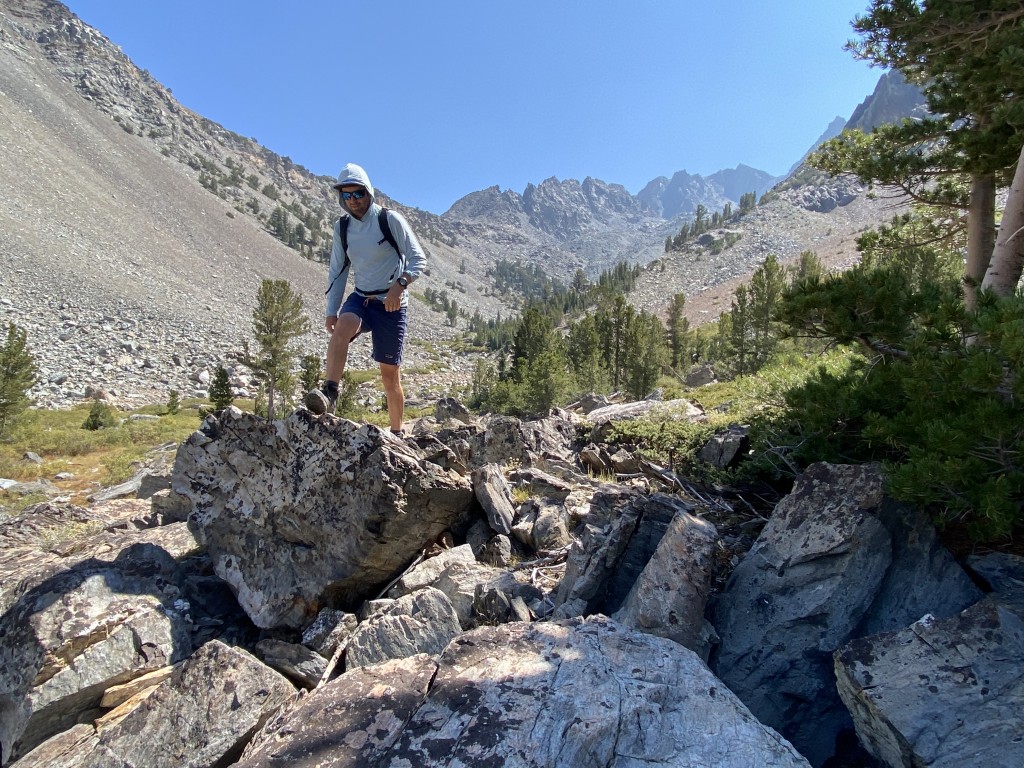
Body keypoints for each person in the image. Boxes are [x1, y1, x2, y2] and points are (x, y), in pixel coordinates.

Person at [305, 163, 427, 435]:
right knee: (342, 327)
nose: (353, 201)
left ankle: (397, 433)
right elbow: (337, 271)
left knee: (389, 374)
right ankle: (329, 393)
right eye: (346, 196)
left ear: (369, 192)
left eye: (358, 194)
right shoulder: (343, 227)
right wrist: (331, 310)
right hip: (361, 298)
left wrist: (400, 285)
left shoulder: (389, 219)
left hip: (392, 304)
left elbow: (418, 258)